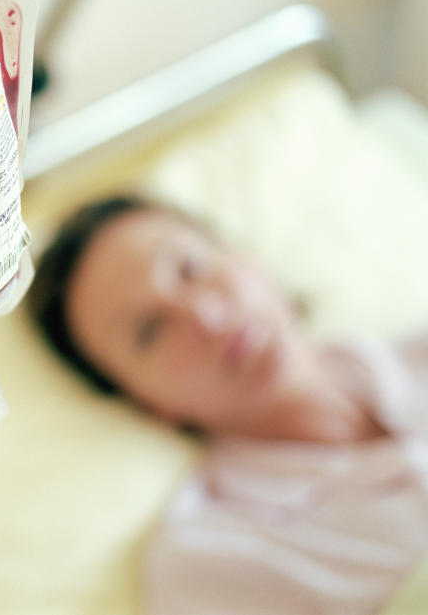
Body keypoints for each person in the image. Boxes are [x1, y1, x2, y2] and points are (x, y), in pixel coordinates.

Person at [28, 195, 428, 615]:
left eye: (191, 268)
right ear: (147, 405)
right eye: (150, 331)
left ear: (242, 256)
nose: (205, 315)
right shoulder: (210, 561)